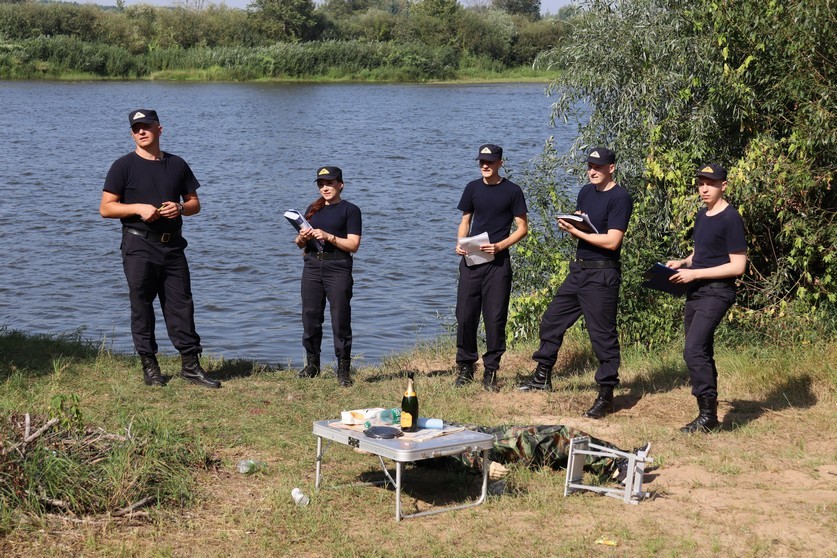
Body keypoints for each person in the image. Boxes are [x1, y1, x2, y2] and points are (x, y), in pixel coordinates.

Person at [100, 109, 220, 389]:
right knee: (142, 305)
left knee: (181, 305)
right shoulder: (123, 166)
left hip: (173, 245)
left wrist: (180, 207)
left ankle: (191, 367)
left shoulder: (177, 164)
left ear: (159, 129)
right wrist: (137, 208)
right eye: (136, 128)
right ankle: (150, 367)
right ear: (132, 134)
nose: (141, 132)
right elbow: (106, 208)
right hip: (138, 244)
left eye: (146, 126)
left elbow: (195, 204)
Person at [520, 147, 632, 419]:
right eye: (590, 166)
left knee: (602, 337)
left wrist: (576, 232)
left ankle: (606, 395)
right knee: (552, 320)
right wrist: (571, 226)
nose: (592, 171)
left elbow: (612, 241)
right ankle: (542, 376)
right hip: (579, 270)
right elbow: (583, 232)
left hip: (602, 274)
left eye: (598, 167)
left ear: (611, 168)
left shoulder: (620, 198)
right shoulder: (585, 192)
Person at [665, 163, 747, 433]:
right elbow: (701, 253)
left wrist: (695, 273)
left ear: (724, 185)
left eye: (710, 183)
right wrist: (683, 263)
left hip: (718, 291)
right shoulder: (703, 215)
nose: (704, 188)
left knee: (693, 349)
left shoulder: (731, 218)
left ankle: (707, 416)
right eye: (701, 183)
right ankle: (708, 414)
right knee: (701, 350)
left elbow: (738, 266)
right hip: (697, 290)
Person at [454, 144, 528, 392]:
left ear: (500, 163)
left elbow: (522, 229)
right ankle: (466, 367)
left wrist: (500, 246)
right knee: (465, 315)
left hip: (498, 264)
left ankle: (491, 370)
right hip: (471, 261)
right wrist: (460, 243)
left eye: (490, 162)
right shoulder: (472, 188)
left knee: (495, 319)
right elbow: (465, 221)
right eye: (481, 162)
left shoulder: (512, 191)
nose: (485, 165)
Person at [294, 166, 362, 388]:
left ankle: (343, 371)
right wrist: (303, 237)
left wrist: (328, 236)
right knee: (310, 316)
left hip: (338, 266)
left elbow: (353, 245)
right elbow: (299, 244)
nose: (325, 188)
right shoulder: (313, 209)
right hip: (312, 265)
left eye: (330, 183)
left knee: (340, 318)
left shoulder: (350, 210)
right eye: (321, 184)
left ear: (340, 185)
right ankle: (312, 366)